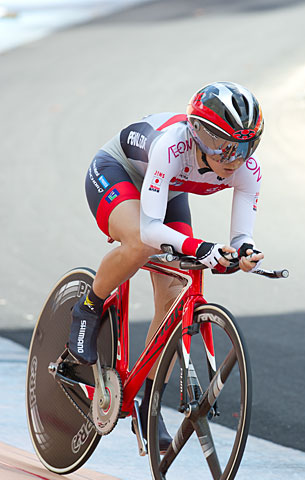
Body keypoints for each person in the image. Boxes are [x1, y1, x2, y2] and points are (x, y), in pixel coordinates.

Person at [69, 81, 264, 449]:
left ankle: (146, 401)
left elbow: (241, 236)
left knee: (175, 295)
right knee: (141, 244)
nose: (232, 157)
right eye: (223, 144)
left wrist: (244, 253)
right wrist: (200, 246)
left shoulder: (247, 169)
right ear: (198, 134)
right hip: (118, 171)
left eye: (244, 146)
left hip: (167, 191)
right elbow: (150, 229)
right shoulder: (173, 145)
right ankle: (89, 306)